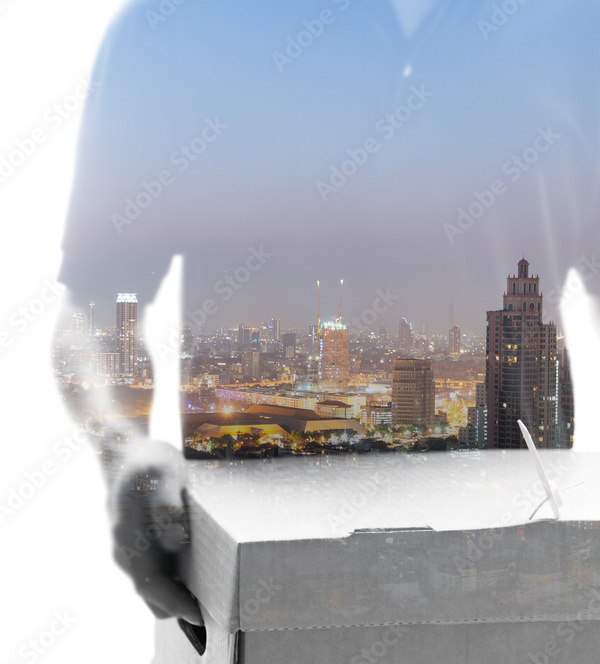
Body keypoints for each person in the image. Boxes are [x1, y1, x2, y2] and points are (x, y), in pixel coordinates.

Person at [53, 0, 600, 625]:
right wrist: (120, 448)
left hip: (531, 593)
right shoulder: (174, 23)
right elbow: (97, 301)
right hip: (253, 598)